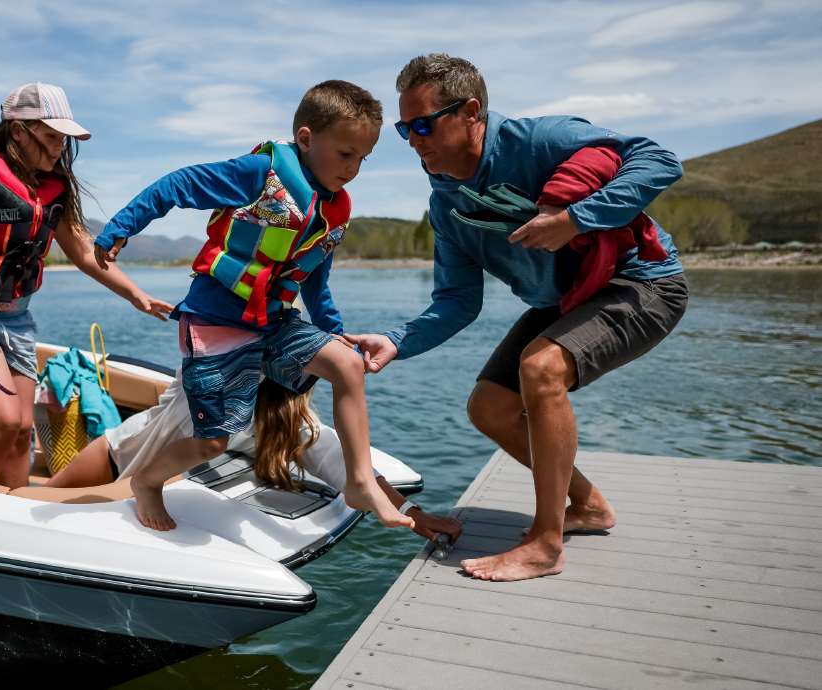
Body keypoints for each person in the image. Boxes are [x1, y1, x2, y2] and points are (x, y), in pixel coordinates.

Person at [348, 54, 688, 581]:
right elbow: (459, 299)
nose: (414, 139)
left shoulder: (541, 140)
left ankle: (546, 545)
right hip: (566, 298)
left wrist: (575, 219)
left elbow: (659, 159)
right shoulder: (446, 205)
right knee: (489, 407)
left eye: (423, 124)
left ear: (471, 112)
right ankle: (590, 505)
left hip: (643, 281)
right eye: (404, 128)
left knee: (541, 368)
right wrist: (398, 341)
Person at [94, 80, 412, 532]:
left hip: (273, 321)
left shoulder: (331, 209)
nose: (354, 169)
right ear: (305, 138)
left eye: (363, 158)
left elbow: (315, 282)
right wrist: (120, 229)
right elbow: (177, 185)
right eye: (345, 154)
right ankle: (147, 480)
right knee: (212, 444)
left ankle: (360, 480)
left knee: (347, 365)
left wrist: (334, 330)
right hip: (215, 323)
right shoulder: (257, 174)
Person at [0, 82, 173, 488]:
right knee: (2, 421)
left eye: (64, 139)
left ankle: (16, 506)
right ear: (18, 131)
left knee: (22, 431)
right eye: (51, 136)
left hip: (17, 321)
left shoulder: (53, 189)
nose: (59, 148)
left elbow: (86, 254)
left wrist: (136, 296)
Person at [48, 375, 463, 542]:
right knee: (31, 500)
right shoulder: (204, 376)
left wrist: (410, 511)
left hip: (140, 486)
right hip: (115, 458)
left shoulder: (289, 422)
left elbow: (349, 470)